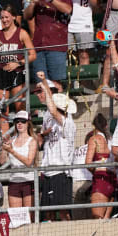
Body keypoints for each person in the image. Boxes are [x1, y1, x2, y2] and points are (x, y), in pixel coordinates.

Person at [36, 71, 75, 221]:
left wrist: (45, 82)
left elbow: (51, 106)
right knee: (47, 212)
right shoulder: (50, 117)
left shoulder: (67, 122)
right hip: (48, 170)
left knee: (64, 211)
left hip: (61, 171)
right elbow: (51, 103)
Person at [0, 4, 36, 134]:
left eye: (6, 17)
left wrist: (18, 62)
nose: (4, 20)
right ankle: (5, 139)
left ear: (14, 17)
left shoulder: (22, 33)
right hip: (1, 73)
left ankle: (22, 136)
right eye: (2, 18)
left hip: (17, 74)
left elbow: (33, 55)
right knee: (2, 110)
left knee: (20, 109)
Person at [24, 0, 72, 82]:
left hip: (56, 47)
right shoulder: (38, 0)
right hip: (39, 47)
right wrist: (33, 3)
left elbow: (68, 10)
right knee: (41, 85)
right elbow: (26, 16)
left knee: (57, 83)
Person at [0, 110, 37, 210]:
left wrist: (12, 151)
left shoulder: (32, 141)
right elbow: (2, 162)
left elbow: (29, 162)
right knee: (15, 215)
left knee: (29, 215)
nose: (19, 123)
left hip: (28, 180)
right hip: (14, 181)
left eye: (23, 121)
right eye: (17, 121)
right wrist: (4, 149)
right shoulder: (11, 140)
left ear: (28, 123)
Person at [59, 0, 98, 65]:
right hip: (66, 25)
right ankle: (71, 78)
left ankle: (83, 78)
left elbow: (97, 5)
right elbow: (57, 1)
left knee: (84, 55)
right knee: (68, 55)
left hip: (84, 24)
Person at [85, 113, 115, 219]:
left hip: (100, 180)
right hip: (112, 180)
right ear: (106, 126)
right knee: (105, 220)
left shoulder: (94, 139)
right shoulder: (112, 140)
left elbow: (88, 164)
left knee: (97, 219)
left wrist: (94, 170)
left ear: (94, 126)